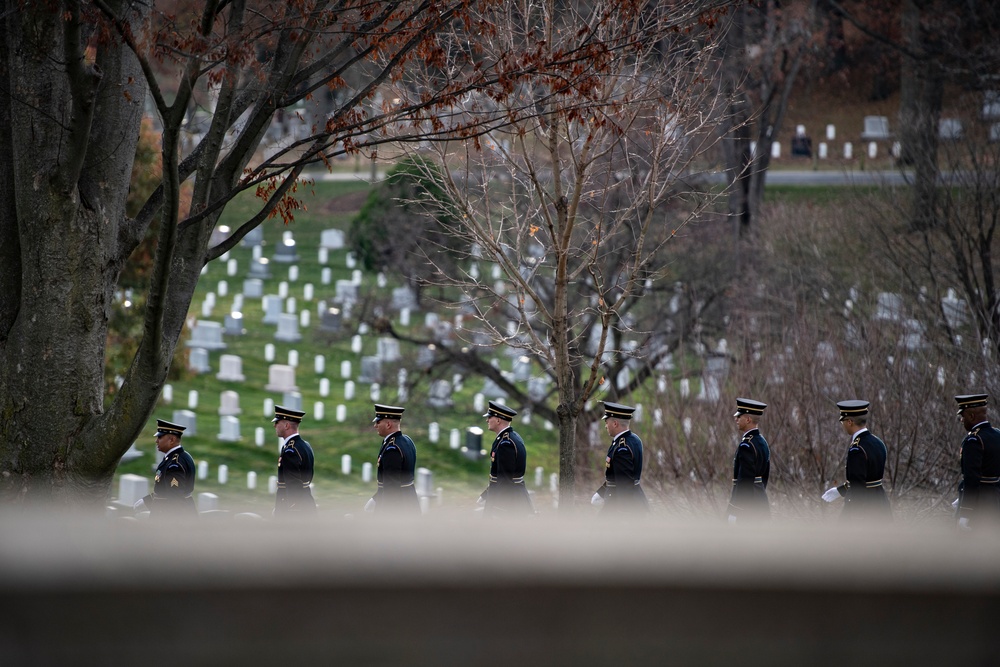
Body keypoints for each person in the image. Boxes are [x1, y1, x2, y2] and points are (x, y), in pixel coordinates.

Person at [821, 400, 892, 520]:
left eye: (843, 421)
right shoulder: (878, 443)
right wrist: (840, 491)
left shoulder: (857, 449)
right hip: (881, 504)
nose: (842, 425)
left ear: (850, 422)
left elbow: (858, 487)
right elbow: (869, 479)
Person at [478, 400, 534, 516]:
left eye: (490, 417)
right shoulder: (510, 438)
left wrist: (497, 507)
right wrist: (486, 494)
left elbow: (505, 479)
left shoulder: (506, 444)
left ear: (498, 420)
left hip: (509, 502)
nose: (487, 420)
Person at [591, 401, 649, 513]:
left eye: (606, 422)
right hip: (634, 499)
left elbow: (624, 484)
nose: (605, 425)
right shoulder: (634, 439)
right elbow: (615, 476)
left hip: (620, 504)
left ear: (615, 424)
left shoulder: (622, 448)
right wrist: (601, 493)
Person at [953, 393, 1000, 529]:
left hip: (978, 506)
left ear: (971, 416)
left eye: (962, 416)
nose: (962, 420)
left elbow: (972, 479)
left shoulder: (973, 441)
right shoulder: (997, 435)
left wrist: (965, 512)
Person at [133, 419, 196, 519]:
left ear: (171, 440)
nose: (156, 441)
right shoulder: (180, 457)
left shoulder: (174, 465)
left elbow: (175, 498)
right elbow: (166, 490)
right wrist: (148, 500)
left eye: (160, 437)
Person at [365, 404, 420, 515]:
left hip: (398, 507)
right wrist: (375, 498)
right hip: (409, 502)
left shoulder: (392, 449)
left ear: (388, 424)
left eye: (378, 422)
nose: (375, 425)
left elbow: (392, 487)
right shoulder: (407, 441)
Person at [726, 398, 771, 522]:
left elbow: (744, 482)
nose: (736, 419)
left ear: (748, 419)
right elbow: (764, 479)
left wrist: (735, 511)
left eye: (739, 416)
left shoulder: (747, 445)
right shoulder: (762, 442)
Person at [272, 405, 316, 516]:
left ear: (286, 425)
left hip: (292, 508)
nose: (274, 425)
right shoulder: (305, 445)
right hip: (307, 501)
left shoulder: (290, 451)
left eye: (277, 422)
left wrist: (290, 511)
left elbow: (293, 485)